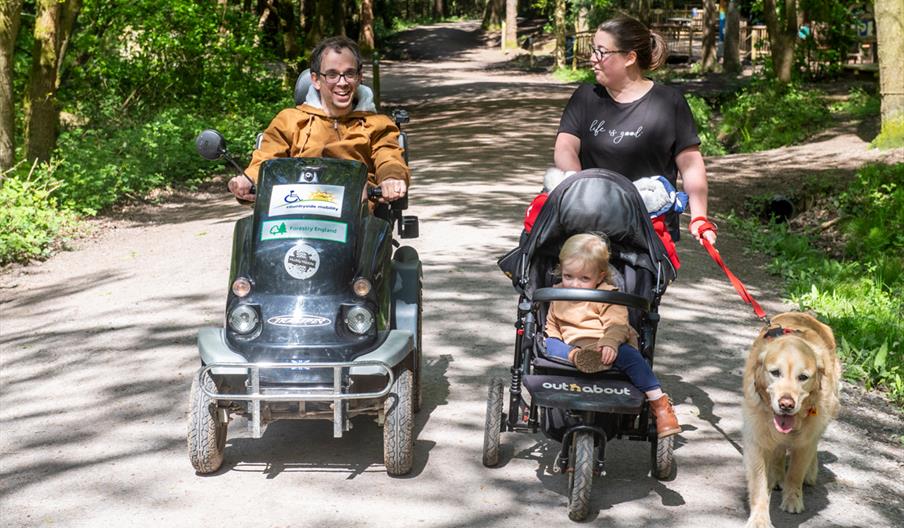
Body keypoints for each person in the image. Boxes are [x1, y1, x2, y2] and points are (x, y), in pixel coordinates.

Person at [553, 15, 717, 246]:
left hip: (650, 231)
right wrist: (579, 187)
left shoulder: (669, 102)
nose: (592, 58)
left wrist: (700, 218)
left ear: (630, 57)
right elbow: (565, 147)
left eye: (601, 51)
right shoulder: (585, 97)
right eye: (592, 50)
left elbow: (691, 166)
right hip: (589, 225)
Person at [228, 36, 409, 204]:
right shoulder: (289, 121)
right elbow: (266, 160)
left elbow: (389, 157)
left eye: (349, 74)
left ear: (359, 77)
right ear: (315, 79)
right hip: (294, 213)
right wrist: (248, 179)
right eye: (332, 74)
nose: (342, 82)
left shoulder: (378, 124)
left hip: (356, 217)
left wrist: (391, 179)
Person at [544, 233, 680, 438]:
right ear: (561, 270)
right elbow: (552, 324)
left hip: (606, 345)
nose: (574, 285)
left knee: (633, 358)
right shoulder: (558, 294)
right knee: (549, 345)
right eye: (568, 276)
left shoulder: (608, 294)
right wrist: (553, 339)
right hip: (572, 347)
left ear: (599, 277)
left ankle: (658, 403)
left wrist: (609, 343)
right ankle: (578, 358)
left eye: (584, 279)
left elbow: (617, 325)